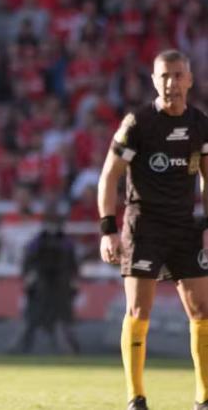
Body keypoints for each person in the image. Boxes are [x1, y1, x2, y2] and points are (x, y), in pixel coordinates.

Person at [98, 49, 208, 410]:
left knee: (202, 310)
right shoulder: (139, 123)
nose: (170, 83)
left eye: (177, 75)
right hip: (143, 226)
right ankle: (136, 398)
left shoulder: (199, 124)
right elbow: (109, 176)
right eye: (163, 76)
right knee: (138, 312)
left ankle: (204, 399)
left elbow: (207, 178)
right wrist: (107, 230)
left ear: (189, 80)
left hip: (184, 226)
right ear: (154, 80)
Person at [9, 208, 79, 354]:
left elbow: (73, 266)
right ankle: (19, 349)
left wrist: (73, 281)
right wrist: (29, 277)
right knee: (31, 319)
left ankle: (69, 351)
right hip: (41, 286)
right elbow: (27, 263)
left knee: (63, 321)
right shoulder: (37, 241)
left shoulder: (66, 242)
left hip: (61, 287)